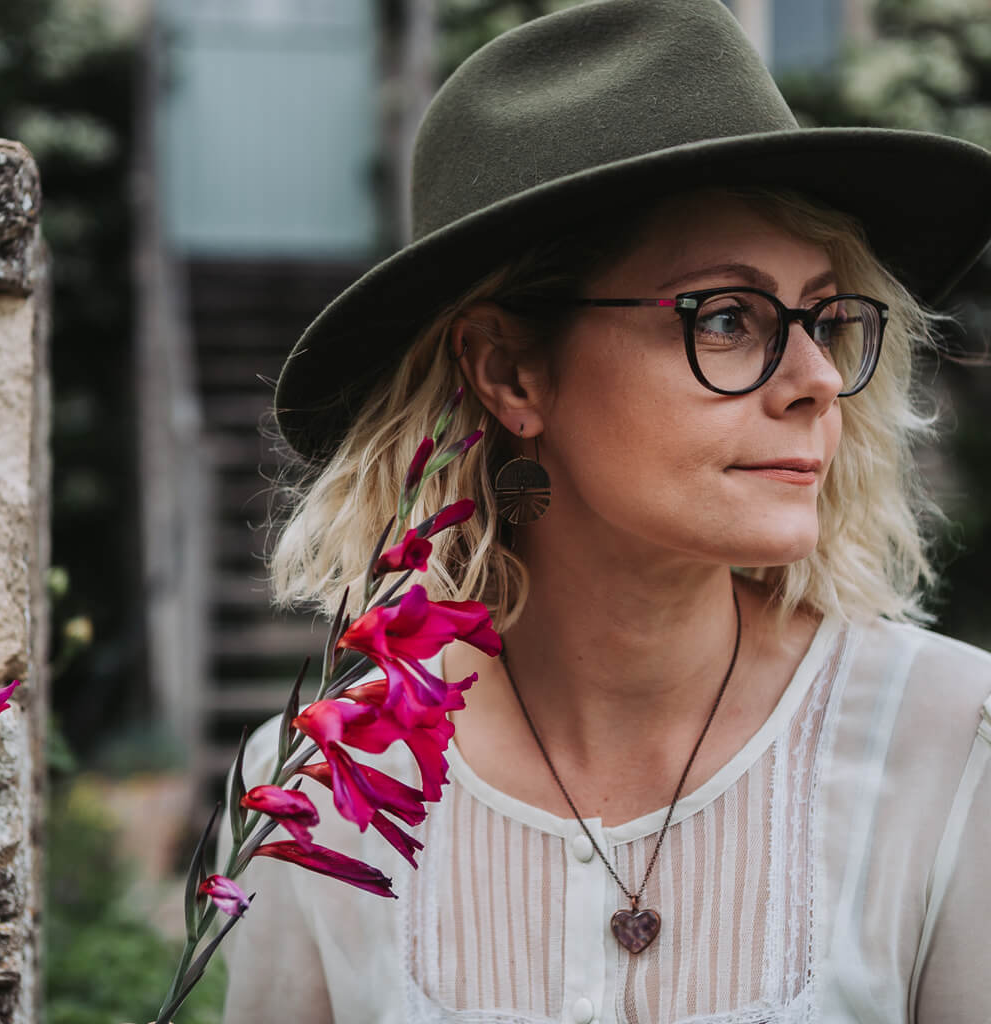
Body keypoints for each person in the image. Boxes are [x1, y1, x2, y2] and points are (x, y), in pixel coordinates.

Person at [218, 1, 991, 1021]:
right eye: (725, 317)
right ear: (508, 371)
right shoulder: (328, 783)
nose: (811, 377)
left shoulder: (950, 742)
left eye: (823, 316)